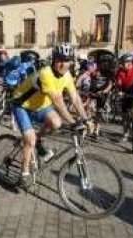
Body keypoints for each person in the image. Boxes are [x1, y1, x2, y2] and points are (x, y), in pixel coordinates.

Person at [12, 44, 90, 186]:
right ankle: (23, 174)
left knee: (57, 123)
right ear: (54, 60)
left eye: (66, 60)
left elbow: (76, 98)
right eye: (59, 59)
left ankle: (39, 139)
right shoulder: (46, 73)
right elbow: (58, 101)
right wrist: (73, 122)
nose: (62, 64)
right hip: (22, 105)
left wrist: (86, 119)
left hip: (41, 106)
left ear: (71, 62)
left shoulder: (67, 76)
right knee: (30, 140)